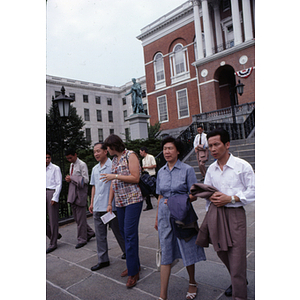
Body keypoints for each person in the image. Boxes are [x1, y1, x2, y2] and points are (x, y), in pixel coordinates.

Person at [203, 128, 255, 300]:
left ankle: (239, 291)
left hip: (235, 215)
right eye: (210, 146)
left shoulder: (242, 166)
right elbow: (206, 192)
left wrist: (231, 198)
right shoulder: (211, 169)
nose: (213, 149)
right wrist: (210, 200)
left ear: (227, 144)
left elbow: (253, 192)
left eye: (216, 144)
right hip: (216, 214)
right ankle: (237, 277)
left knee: (237, 255)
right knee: (221, 251)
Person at [154, 136, 206, 300]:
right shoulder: (161, 172)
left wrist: (177, 200)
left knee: (186, 248)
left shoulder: (187, 170)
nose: (166, 152)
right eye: (164, 149)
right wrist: (156, 218)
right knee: (166, 252)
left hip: (182, 214)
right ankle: (163, 295)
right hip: (164, 216)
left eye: (170, 148)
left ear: (177, 151)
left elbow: (194, 195)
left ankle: (192, 282)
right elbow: (160, 196)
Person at [100, 134, 144, 289]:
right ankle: (135, 265)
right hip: (120, 202)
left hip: (132, 200)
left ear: (113, 146)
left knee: (130, 234)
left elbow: (135, 178)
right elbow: (113, 183)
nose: (107, 151)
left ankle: (133, 273)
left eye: (108, 148)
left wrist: (115, 175)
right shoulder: (114, 160)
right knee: (125, 234)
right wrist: (110, 203)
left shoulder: (130, 155)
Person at [89, 142, 126, 271]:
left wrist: (110, 203)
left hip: (111, 207)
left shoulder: (113, 165)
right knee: (100, 236)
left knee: (118, 232)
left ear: (106, 151)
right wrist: (92, 202)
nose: (96, 154)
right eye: (94, 151)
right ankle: (103, 259)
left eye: (98, 151)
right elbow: (94, 186)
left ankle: (127, 252)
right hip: (98, 206)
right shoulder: (94, 169)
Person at [65, 148, 95, 249]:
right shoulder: (72, 165)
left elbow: (86, 180)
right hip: (73, 193)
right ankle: (90, 232)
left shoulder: (82, 164)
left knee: (81, 219)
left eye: (70, 157)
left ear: (75, 155)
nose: (69, 160)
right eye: (68, 158)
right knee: (78, 218)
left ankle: (82, 239)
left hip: (80, 194)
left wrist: (72, 178)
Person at [46, 150, 62, 254]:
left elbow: (59, 183)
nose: (47, 159)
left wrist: (55, 197)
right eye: (45, 158)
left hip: (51, 193)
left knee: (53, 219)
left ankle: (53, 243)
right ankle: (54, 235)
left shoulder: (55, 168)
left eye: (48, 157)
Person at [139, 146, 157, 211]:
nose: (140, 153)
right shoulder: (143, 160)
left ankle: (160, 201)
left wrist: (145, 167)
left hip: (151, 175)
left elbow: (154, 165)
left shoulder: (151, 157)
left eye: (141, 152)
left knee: (154, 190)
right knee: (146, 192)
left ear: (144, 151)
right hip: (145, 176)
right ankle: (149, 205)